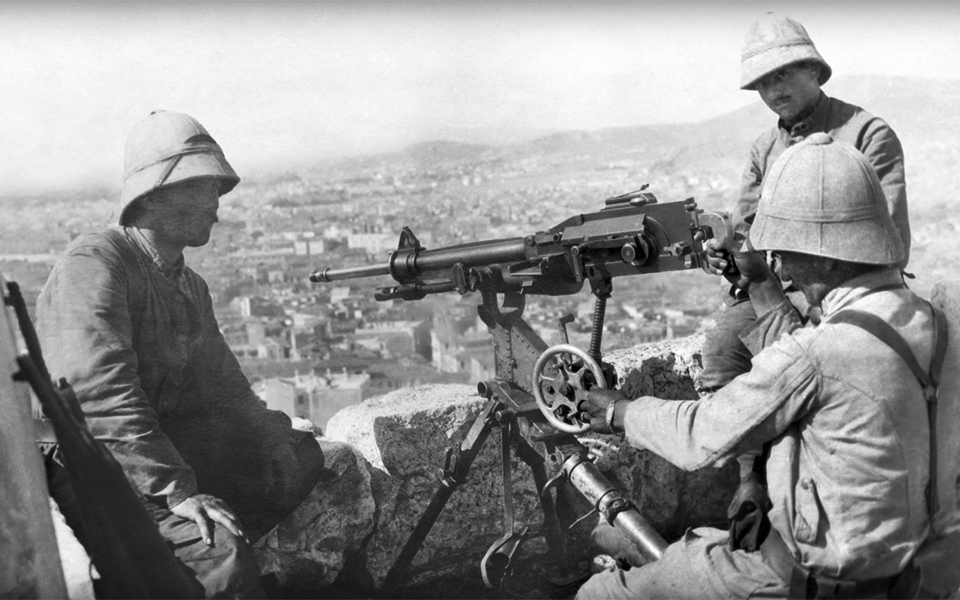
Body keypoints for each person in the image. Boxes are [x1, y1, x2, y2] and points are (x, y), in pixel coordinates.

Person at [576, 134, 954, 599]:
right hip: (918, 574)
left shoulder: (818, 353)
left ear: (826, 255)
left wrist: (619, 412)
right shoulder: (936, 324)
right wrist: (759, 286)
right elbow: (817, 373)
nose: (780, 268)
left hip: (817, 581)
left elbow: (703, 434)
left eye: (785, 252)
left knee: (601, 593)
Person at [36, 110, 326, 598]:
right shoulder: (96, 263)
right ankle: (192, 558)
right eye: (199, 188)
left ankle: (182, 556)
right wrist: (178, 492)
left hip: (150, 453)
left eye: (216, 191)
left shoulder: (190, 286)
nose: (216, 206)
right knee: (223, 563)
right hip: (86, 463)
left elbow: (226, 387)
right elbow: (100, 395)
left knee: (297, 456)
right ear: (151, 196)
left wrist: (270, 437)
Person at [701, 12, 911, 396]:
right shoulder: (765, 149)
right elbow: (745, 235)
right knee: (721, 355)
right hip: (780, 296)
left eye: (781, 74)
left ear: (813, 70)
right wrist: (727, 256)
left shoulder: (867, 134)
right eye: (763, 83)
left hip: (853, 296)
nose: (773, 90)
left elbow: (890, 244)